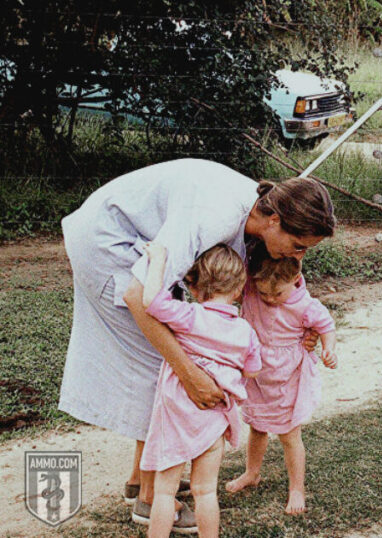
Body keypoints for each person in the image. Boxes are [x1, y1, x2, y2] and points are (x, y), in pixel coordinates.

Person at [59, 159, 335, 531]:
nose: (299, 256)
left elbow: (279, 283)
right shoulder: (215, 216)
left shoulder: (258, 211)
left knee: (161, 361)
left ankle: (143, 478)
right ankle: (151, 500)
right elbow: (138, 294)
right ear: (275, 221)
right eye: (299, 245)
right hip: (108, 244)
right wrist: (189, 375)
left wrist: (306, 325)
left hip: (134, 242)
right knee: (158, 366)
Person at [139, 243, 262, 538]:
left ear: (196, 288)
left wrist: (158, 258)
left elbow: (151, 302)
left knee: (165, 491)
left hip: (176, 418)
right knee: (205, 490)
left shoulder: (190, 316)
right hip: (214, 419)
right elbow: (253, 369)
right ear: (237, 291)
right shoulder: (245, 331)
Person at [226, 252, 337, 515]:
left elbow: (326, 325)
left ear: (296, 279)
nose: (269, 299)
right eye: (264, 294)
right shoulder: (254, 288)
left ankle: (296, 488)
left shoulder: (305, 305)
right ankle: (252, 473)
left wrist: (328, 348)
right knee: (257, 426)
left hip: (287, 377)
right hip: (258, 375)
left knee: (289, 434)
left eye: (277, 294)